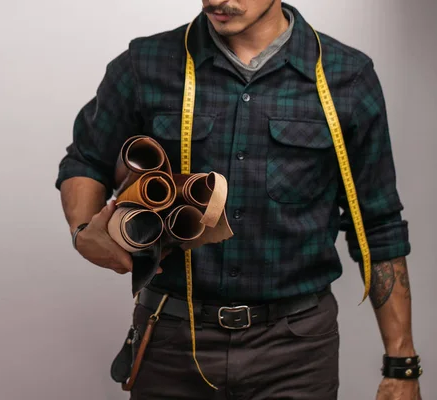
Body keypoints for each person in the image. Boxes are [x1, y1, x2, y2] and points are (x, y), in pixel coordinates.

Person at [55, 1, 423, 399]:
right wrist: (82, 231)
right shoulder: (145, 64)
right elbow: (87, 159)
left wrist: (401, 366)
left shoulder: (346, 76)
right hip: (171, 339)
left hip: (296, 351)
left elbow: (377, 223)